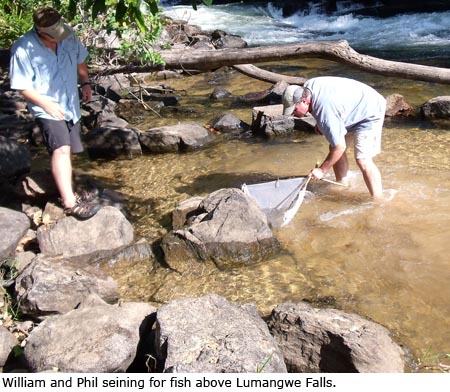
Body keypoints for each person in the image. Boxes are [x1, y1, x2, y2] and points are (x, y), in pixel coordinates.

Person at [9, 7, 100, 219]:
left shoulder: (68, 34)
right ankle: (69, 202)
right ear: (41, 32)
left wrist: (85, 82)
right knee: (60, 148)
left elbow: (80, 57)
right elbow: (22, 86)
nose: (60, 37)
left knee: (68, 150)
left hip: (70, 105)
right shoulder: (23, 48)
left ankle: (70, 188)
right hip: (46, 107)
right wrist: (46, 105)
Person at [283, 76, 386, 198]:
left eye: (294, 109)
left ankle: (378, 199)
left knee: (362, 159)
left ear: (304, 101)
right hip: (353, 106)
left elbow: (339, 146)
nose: (293, 114)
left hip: (370, 110)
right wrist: (320, 123)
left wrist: (321, 170)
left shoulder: (326, 113)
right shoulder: (309, 87)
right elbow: (329, 106)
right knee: (334, 144)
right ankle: (343, 183)